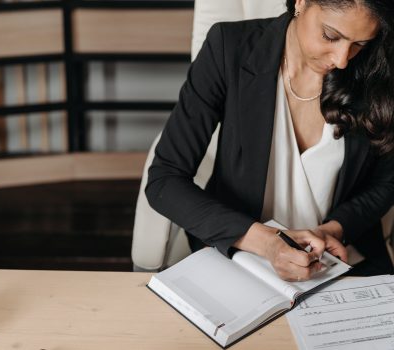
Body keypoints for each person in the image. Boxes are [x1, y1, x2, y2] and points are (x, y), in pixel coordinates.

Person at [145, 0, 394, 281]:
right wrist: (266, 242)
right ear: (301, 3)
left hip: (340, 259)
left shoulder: (379, 67)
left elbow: (386, 182)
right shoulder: (229, 47)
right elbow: (165, 180)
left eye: (359, 43)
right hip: (240, 253)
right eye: (330, 36)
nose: (342, 59)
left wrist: (334, 230)